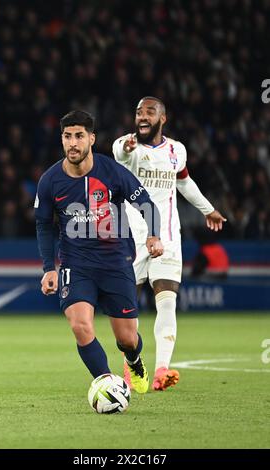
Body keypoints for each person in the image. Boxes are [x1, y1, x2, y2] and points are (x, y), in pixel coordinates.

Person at [34, 110, 164, 394]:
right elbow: (44, 225)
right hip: (76, 265)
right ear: (62, 139)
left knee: (127, 339)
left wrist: (153, 235)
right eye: (67, 137)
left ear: (91, 138)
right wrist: (48, 268)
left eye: (79, 136)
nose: (73, 143)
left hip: (115, 263)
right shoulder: (49, 181)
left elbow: (147, 205)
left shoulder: (112, 172)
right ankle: (108, 385)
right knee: (80, 326)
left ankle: (134, 360)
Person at [113, 96, 227, 391]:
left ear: (163, 118)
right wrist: (125, 147)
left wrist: (208, 209)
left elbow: (184, 181)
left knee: (167, 302)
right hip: (132, 237)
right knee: (128, 307)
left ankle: (163, 369)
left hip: (167, 237)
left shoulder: (177, 151)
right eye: (138, 111)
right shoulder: (128, 147)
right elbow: (120, 153)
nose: (142, 116)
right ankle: (133, 365)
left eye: (149, 112)